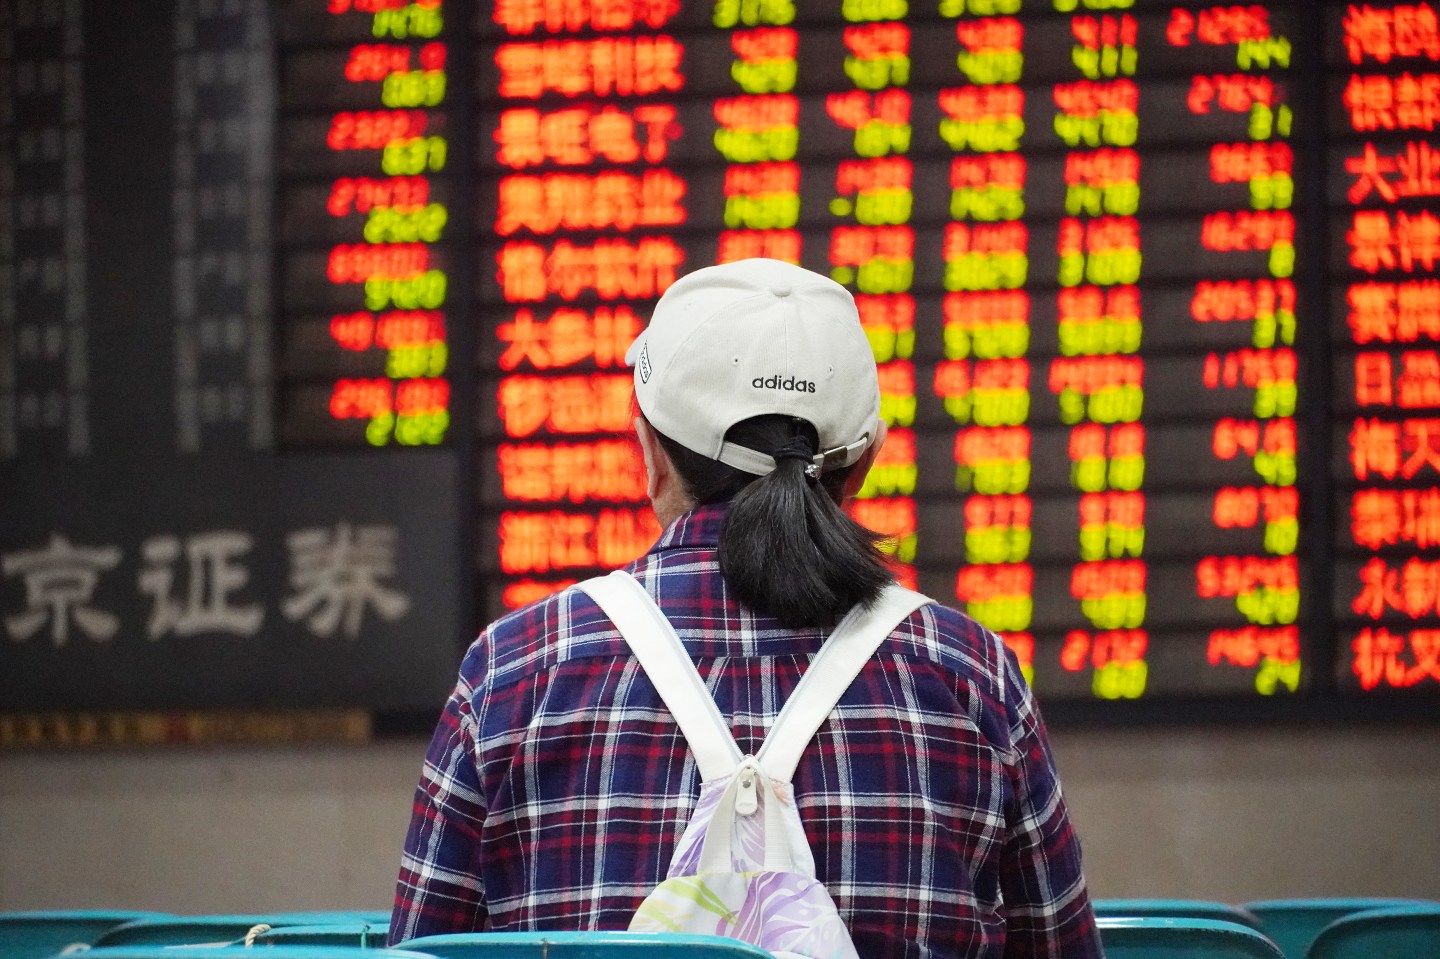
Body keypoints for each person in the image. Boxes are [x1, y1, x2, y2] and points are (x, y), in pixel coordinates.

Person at [389, 258, 1103, 959]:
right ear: (864, 462)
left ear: (650, 451)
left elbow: (418, 952)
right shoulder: (970, 676)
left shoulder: (517, 671)